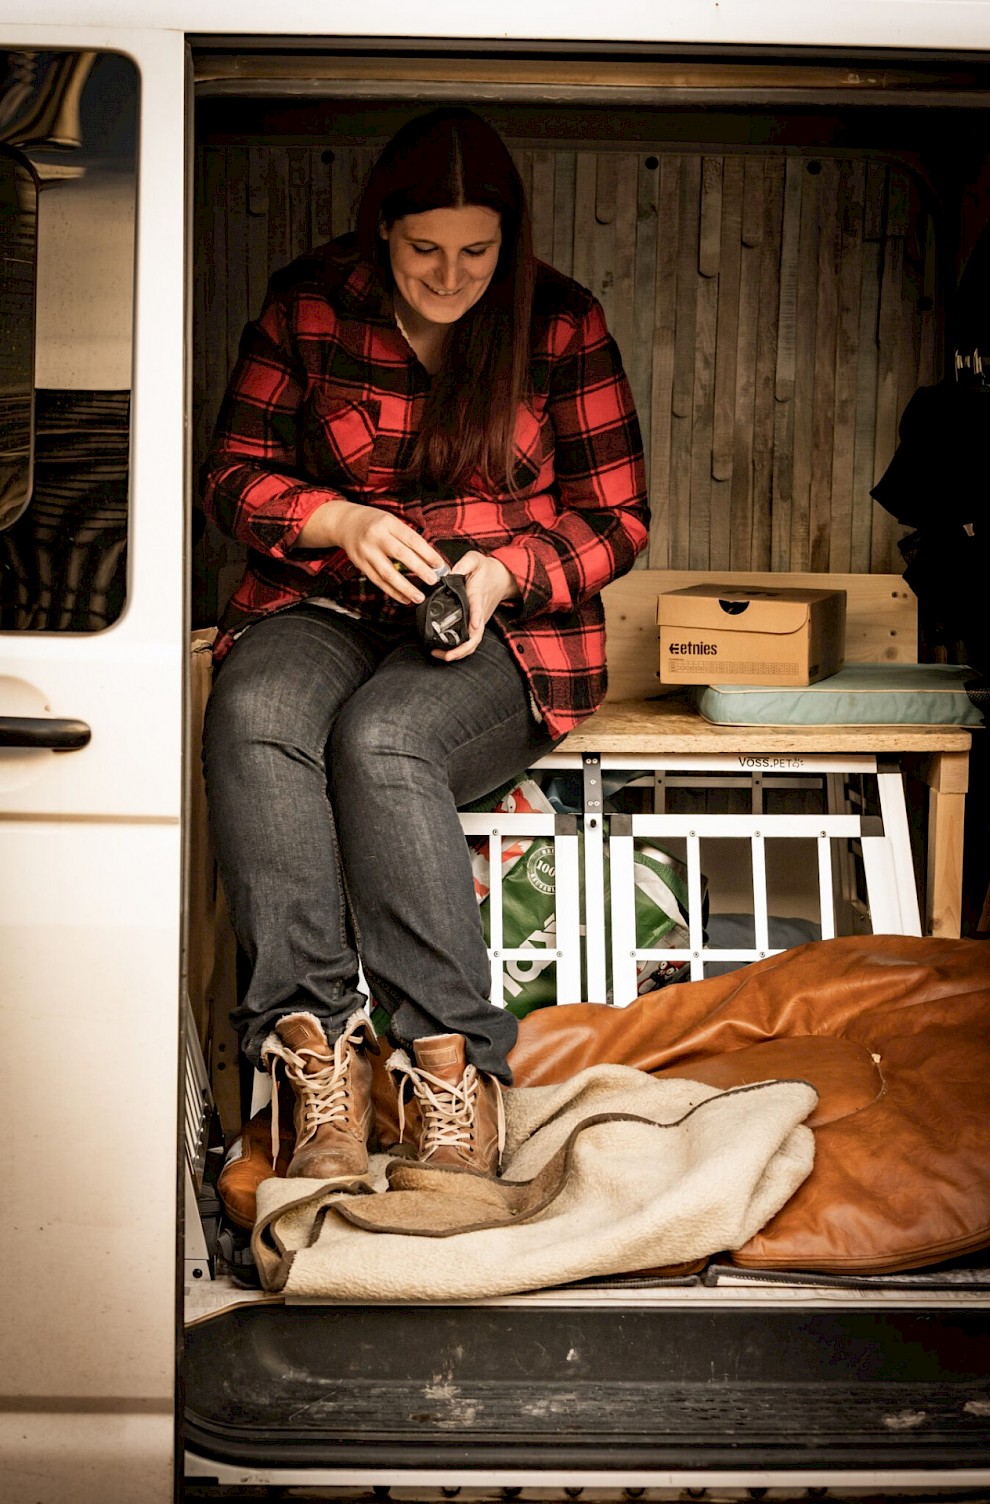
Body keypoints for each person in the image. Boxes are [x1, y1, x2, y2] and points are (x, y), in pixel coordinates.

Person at [201, 107, 648, 1186]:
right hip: (326, 607)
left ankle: (452, 1075)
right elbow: (234, 477)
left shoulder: (560, 324)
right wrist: (340, 522)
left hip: (505, 630)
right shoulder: (311, 304)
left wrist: (500, 574)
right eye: (423, 250)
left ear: (510, 240)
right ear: (379, 232)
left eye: (477, 252)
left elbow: (617, 519)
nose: (450, 275)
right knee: (255, 713)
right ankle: (319, 1059)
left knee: (384, 740)